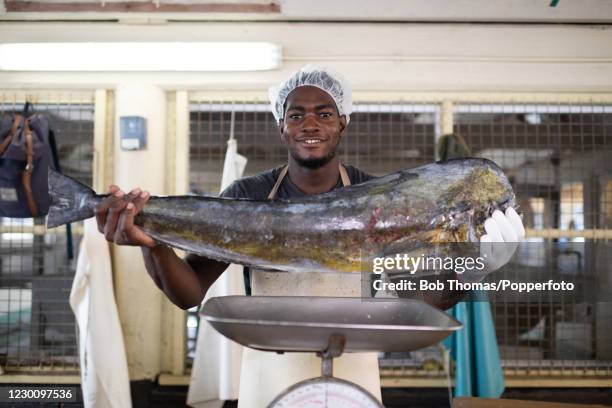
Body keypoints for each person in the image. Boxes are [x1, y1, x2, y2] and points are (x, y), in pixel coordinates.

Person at [95, 65, 524, 406]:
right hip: (269, 369)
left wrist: (475, 265)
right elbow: (190, 293)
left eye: (324, 113)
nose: (309, 124)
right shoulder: (249, 196)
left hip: (355, 366)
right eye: (296, 114)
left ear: (343, 122)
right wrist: (154, 245)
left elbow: (422, 297)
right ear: (282, 125)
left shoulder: (380, 200)